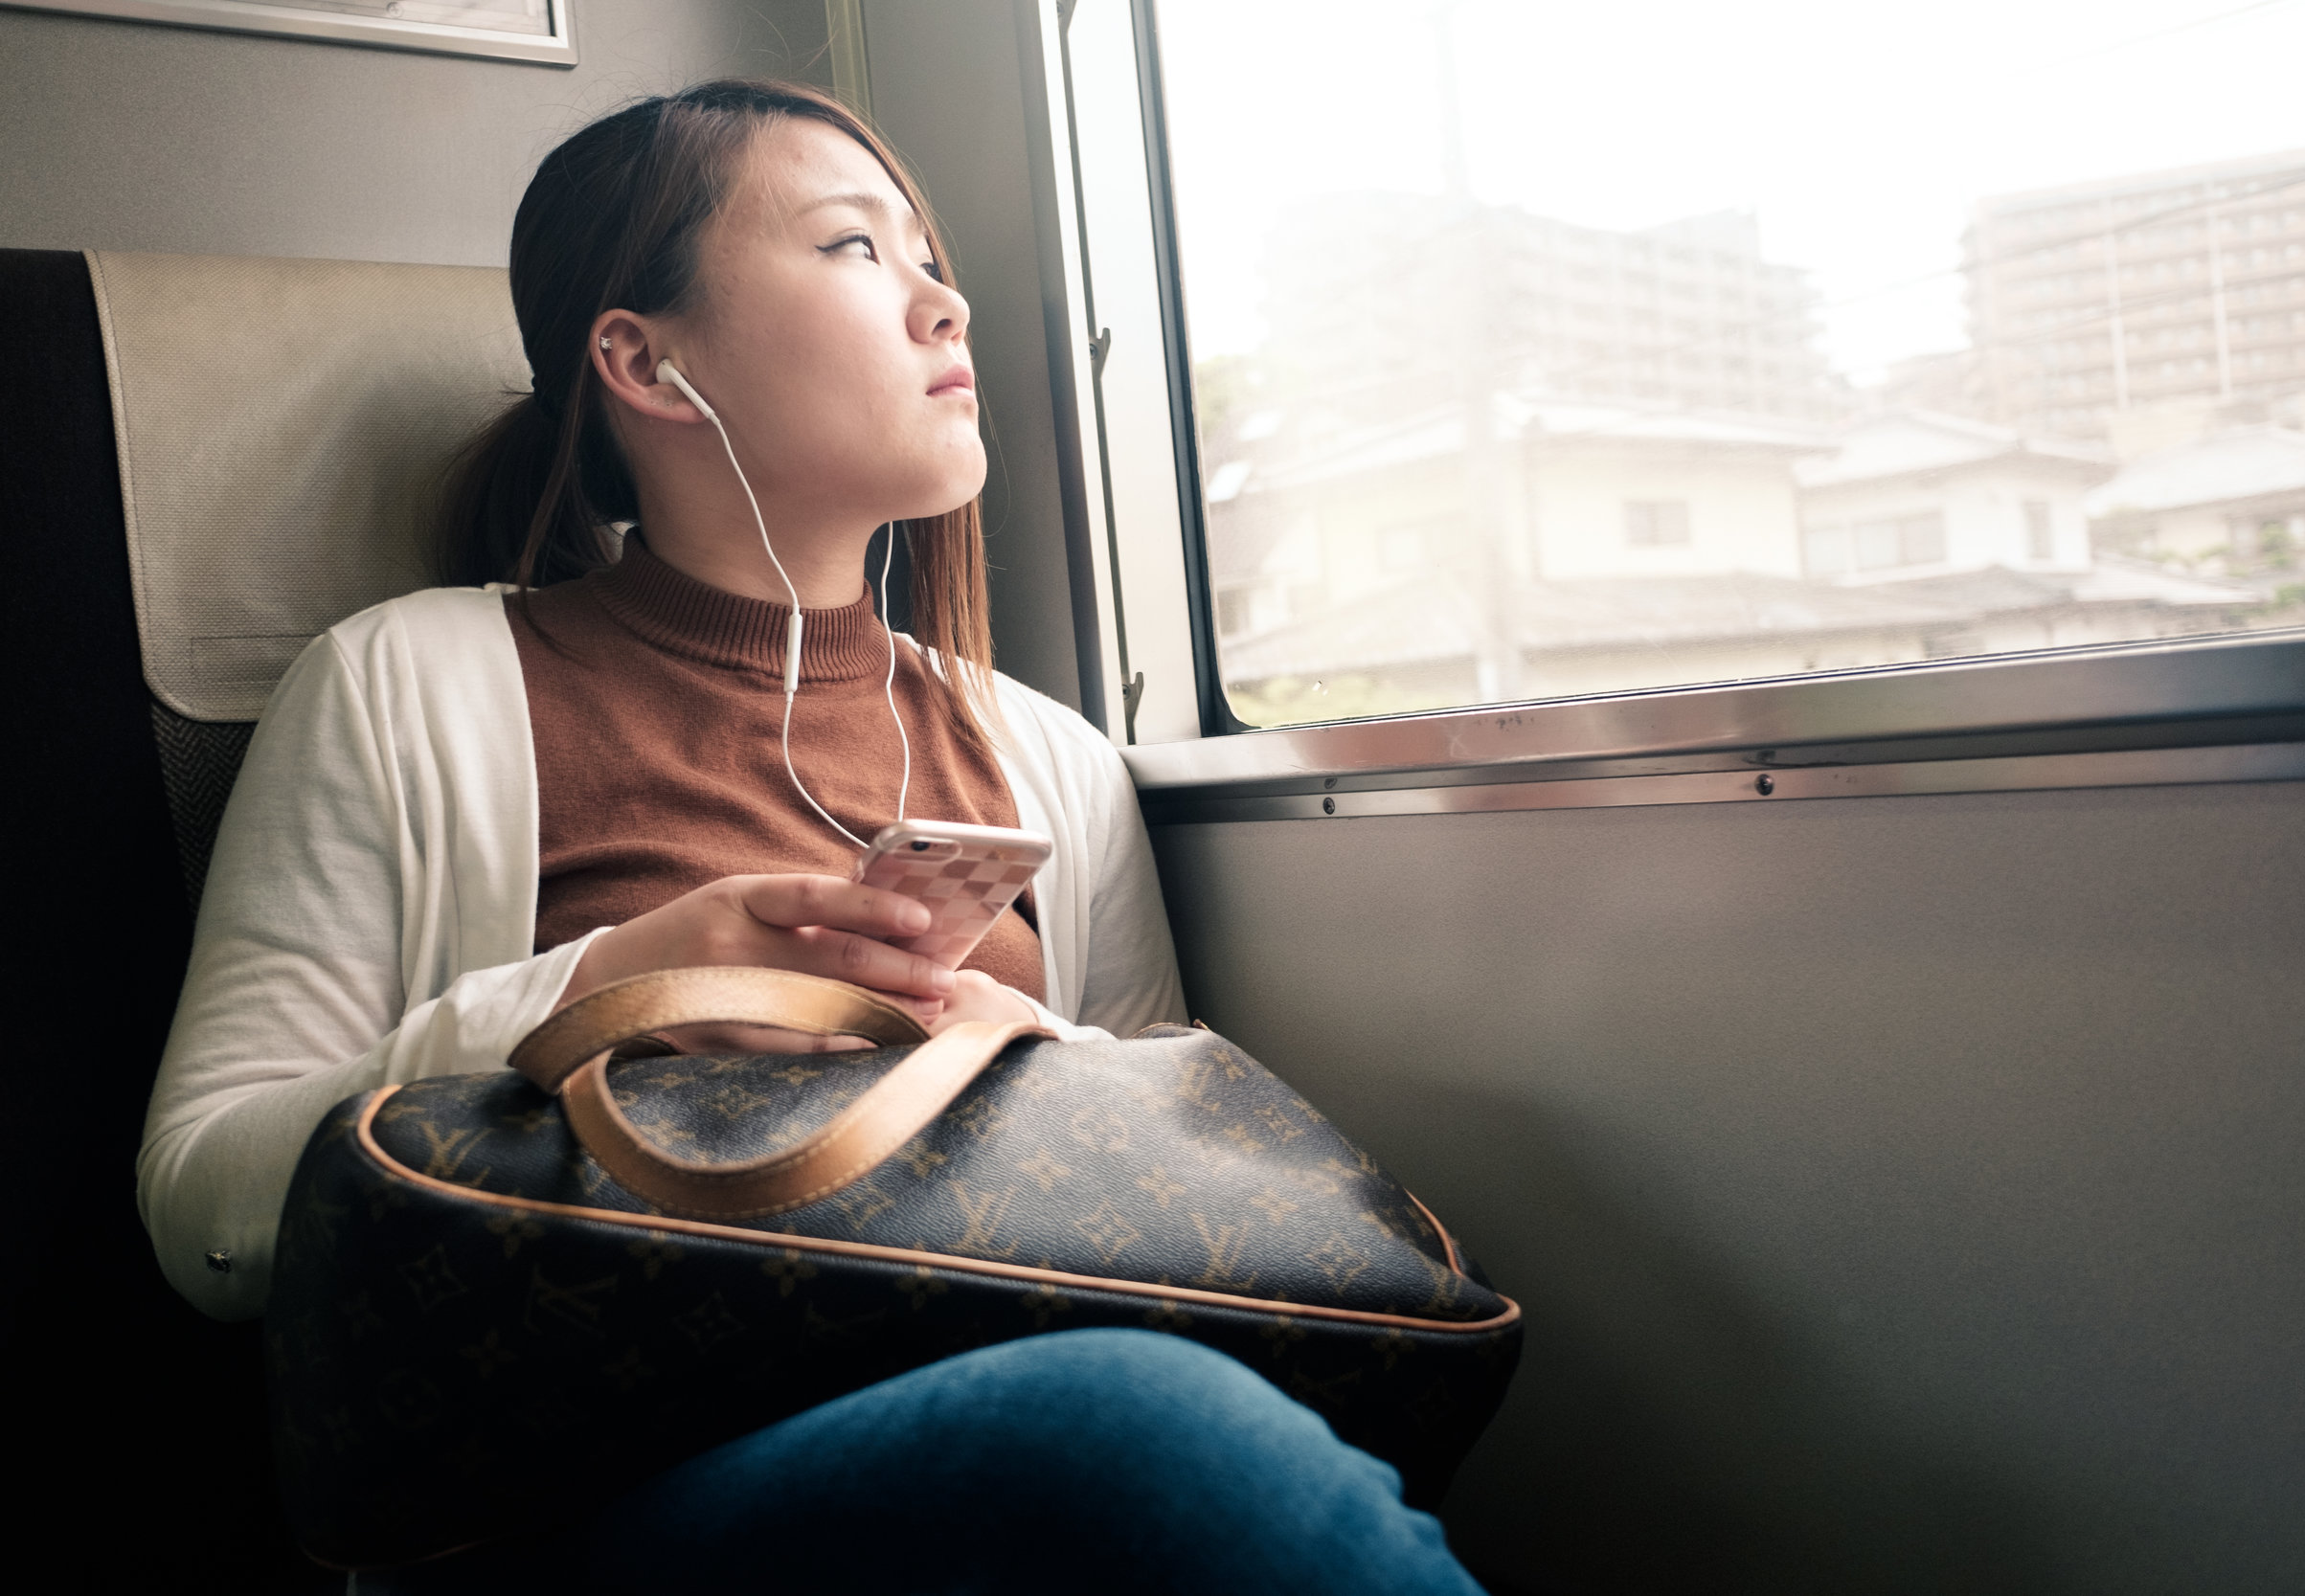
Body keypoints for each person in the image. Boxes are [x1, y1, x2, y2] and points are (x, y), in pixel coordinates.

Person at [138, 79, 1488, 1593]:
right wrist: (615, 993)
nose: (943, 302)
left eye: (929, 254)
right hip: (565, 1505)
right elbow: (204, 1215)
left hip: (1008, 1412)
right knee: (1141, 1427)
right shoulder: (409, 685)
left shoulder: (1051, 753)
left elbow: (1186, 1207)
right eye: (856, 249)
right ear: (647, 362)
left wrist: (1022, 1047)